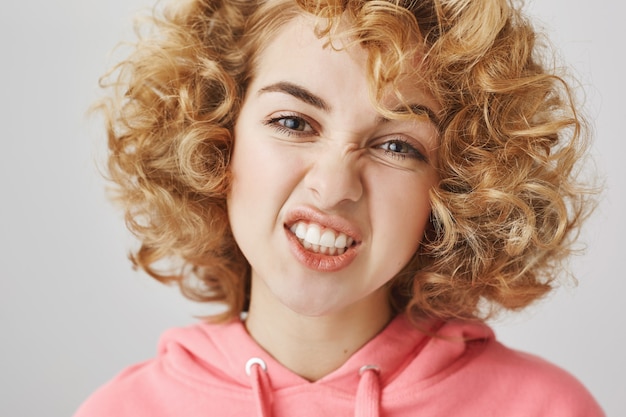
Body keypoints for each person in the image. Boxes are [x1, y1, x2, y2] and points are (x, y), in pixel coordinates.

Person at [74, 0, 604, 415]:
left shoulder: (548, 409)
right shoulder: (119, 411)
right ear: (217, 139)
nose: (333, 188)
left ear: (455, 189)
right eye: (293, 122)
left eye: (397, 145)